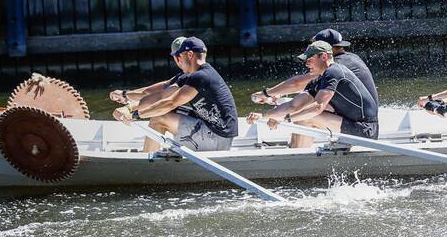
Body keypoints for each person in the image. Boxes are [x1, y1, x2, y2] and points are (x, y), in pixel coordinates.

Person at [112, 37, 239, 153]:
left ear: (190, 55)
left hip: (218, 138)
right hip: (211, 129)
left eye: (179, 57)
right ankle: (151, 151)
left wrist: (135, 115)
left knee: (158, 119)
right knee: (167, 111)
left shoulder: (201, 77)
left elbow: (169, 102)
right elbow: (160, 93)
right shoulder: (192, 75)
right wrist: (127, 99)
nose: (177, 61)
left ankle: (149, 165)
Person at [248, 40, 379, 144]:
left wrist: (283, 120)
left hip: (366, 130)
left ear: (323, 57)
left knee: (308, 116)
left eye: (310, 60)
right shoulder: (320, 78)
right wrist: (263, 116)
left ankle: (297, 162)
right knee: (302, 112)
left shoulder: (334, 72)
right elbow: (293, 105)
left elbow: (317, 108)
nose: (306, 64)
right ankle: (296, 155)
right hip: (351, 124)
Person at [251, 28, 377, 107]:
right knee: (302, 105)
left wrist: (266, 93)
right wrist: (280, 94)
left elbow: (298, 83)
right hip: (359, 109)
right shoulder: (351, 58)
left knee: (302, 114)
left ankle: (298, 149)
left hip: (360, 116)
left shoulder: (336, 66)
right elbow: (313, 85)